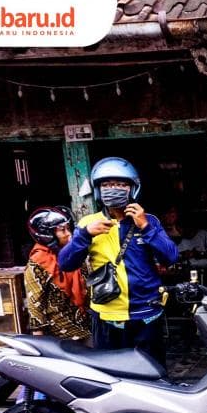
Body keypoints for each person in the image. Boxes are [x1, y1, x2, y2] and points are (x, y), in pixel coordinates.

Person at [59, 157, 178, 369]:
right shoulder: (88, 223)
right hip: (107, 318)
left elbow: (170, 257)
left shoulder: (149, 220)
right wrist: (84, 235)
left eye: (121, 184)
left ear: (133, 188)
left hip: (146, 316)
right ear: (98, 190)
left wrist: (146, 227)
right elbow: (66, 263)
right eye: (107, 184)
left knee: (152, 373)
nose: (114, 189)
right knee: (111, 377)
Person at [21, 206, 90, 402]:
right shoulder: (37, 263)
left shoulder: (74, 255)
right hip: (56, 337)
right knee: (53, 384)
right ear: (45, 234)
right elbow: (35, 303)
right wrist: (40, 342)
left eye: (69, 228)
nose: (68, 234)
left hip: (83, 330)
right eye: (62, 230)